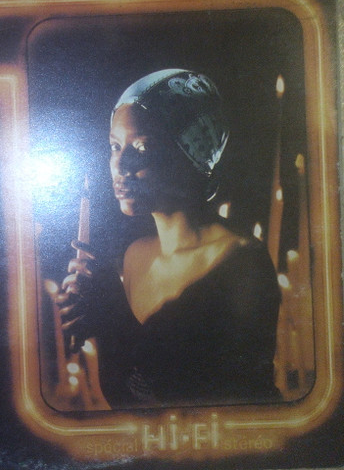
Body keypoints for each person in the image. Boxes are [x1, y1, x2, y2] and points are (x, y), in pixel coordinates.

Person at [56, 68, 281, 408]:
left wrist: (115, 317)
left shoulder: (240, 261)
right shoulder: (136, 257)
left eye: (142, 147)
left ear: (189, 152)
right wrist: (102, 321)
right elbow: (127, 399)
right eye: (115, 146)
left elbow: (212, 409)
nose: (121, 164)